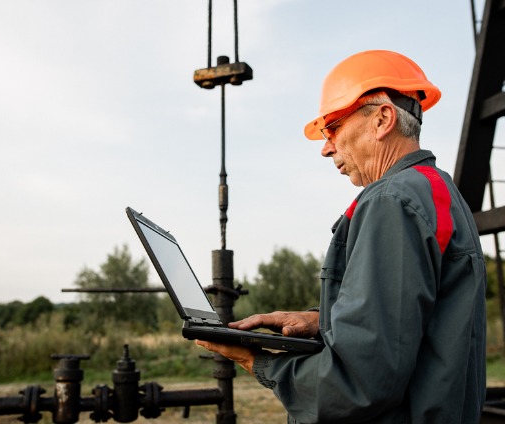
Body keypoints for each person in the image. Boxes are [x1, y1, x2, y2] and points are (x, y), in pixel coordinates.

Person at [196, 50, 487, 423]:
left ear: (382, 119)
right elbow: (416, 321)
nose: (326, 147)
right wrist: (321, 321)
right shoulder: (436, 191)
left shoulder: (391, 201)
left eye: (332, 126)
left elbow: (360, 383)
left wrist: (257, 361)